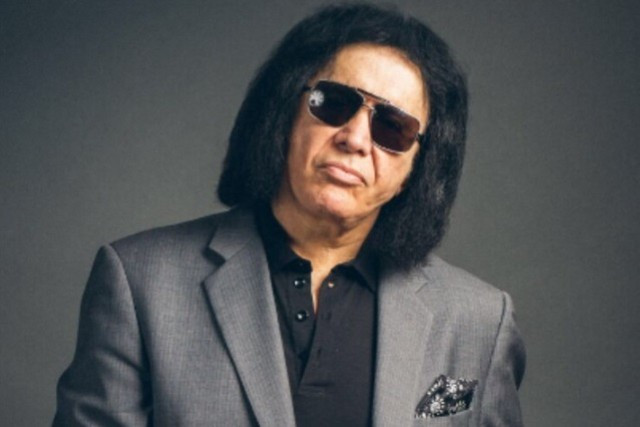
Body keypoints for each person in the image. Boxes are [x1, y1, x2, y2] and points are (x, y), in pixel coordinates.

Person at [54, 3, 525, 426]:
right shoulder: (141, 283)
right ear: (284, 114)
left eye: (392, 127)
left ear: (418, 168)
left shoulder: (479, 320)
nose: (355, 139)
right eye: (334, 103)